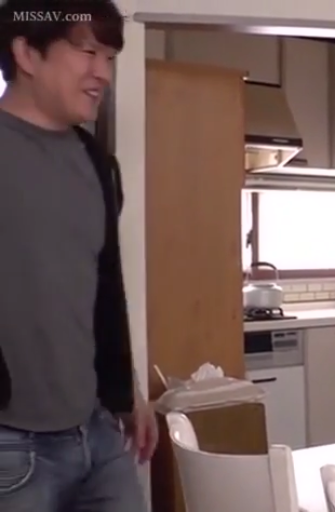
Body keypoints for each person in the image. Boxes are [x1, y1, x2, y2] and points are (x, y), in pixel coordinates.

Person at [0, 0, 158, 510]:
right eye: (88, 52)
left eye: (108, 57)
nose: (103, 74)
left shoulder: (96, 163)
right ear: (27, 52)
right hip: (10, 445)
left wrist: (128, 391)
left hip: (97, 432)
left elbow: (101, 289)